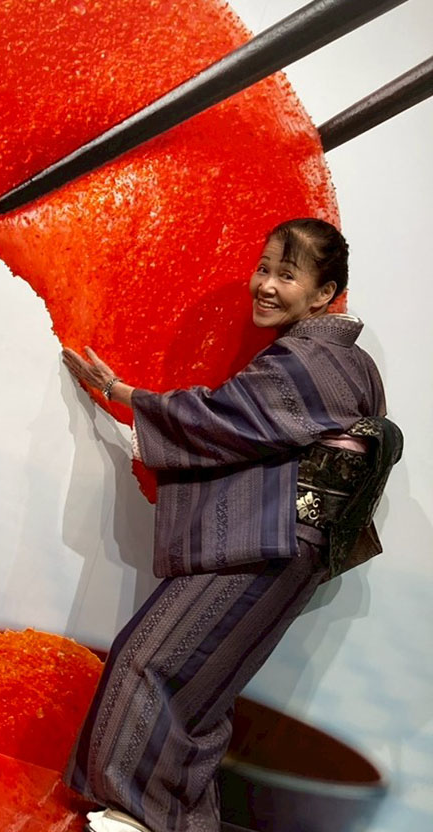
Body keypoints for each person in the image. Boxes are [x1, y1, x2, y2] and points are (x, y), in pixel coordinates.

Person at [60, 218, 403, 832]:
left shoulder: (308, 360)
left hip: (270, 540)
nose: (266, 285)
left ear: (324, 294)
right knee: (202, 691)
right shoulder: (352, 364)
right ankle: (179, 818)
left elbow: (223, 420)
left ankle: (135, 814)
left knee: (149, 664)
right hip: (293, 547)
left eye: (287, 275)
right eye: (264, 268)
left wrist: (125, 393)